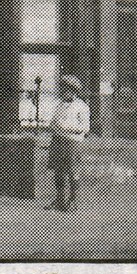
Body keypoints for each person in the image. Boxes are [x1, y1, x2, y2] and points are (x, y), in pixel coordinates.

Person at [45, 75, 90, 212]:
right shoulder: (59, 105)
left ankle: (73, 200)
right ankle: (59, 199)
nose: (64, 92)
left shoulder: (81, 106)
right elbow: (53, 122)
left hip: (72, 143)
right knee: (58, 172)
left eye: (67, 89)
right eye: (63, 89)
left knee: (73, 171)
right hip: (58, 141)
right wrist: (53, 126)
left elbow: (85, 128)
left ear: (74, 91)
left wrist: (66, 127)